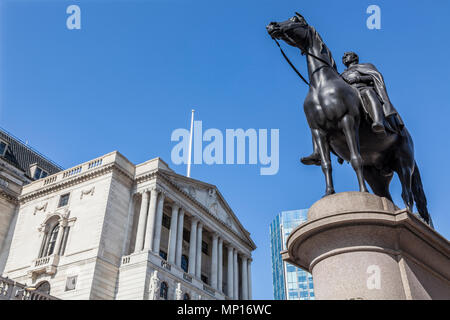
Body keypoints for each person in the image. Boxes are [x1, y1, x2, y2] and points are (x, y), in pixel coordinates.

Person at [301, 51, 404, 166]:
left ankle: (378, 121)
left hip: (361, 89)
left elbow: (375, 76)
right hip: (349, 99)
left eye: (347, 55)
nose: (344, 57)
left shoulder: (365, 66)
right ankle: (318, 151)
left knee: (368, 93)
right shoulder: (341, 75)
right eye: (343, 56)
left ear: (355, 58)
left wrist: (358, 79)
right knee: (319, 116)